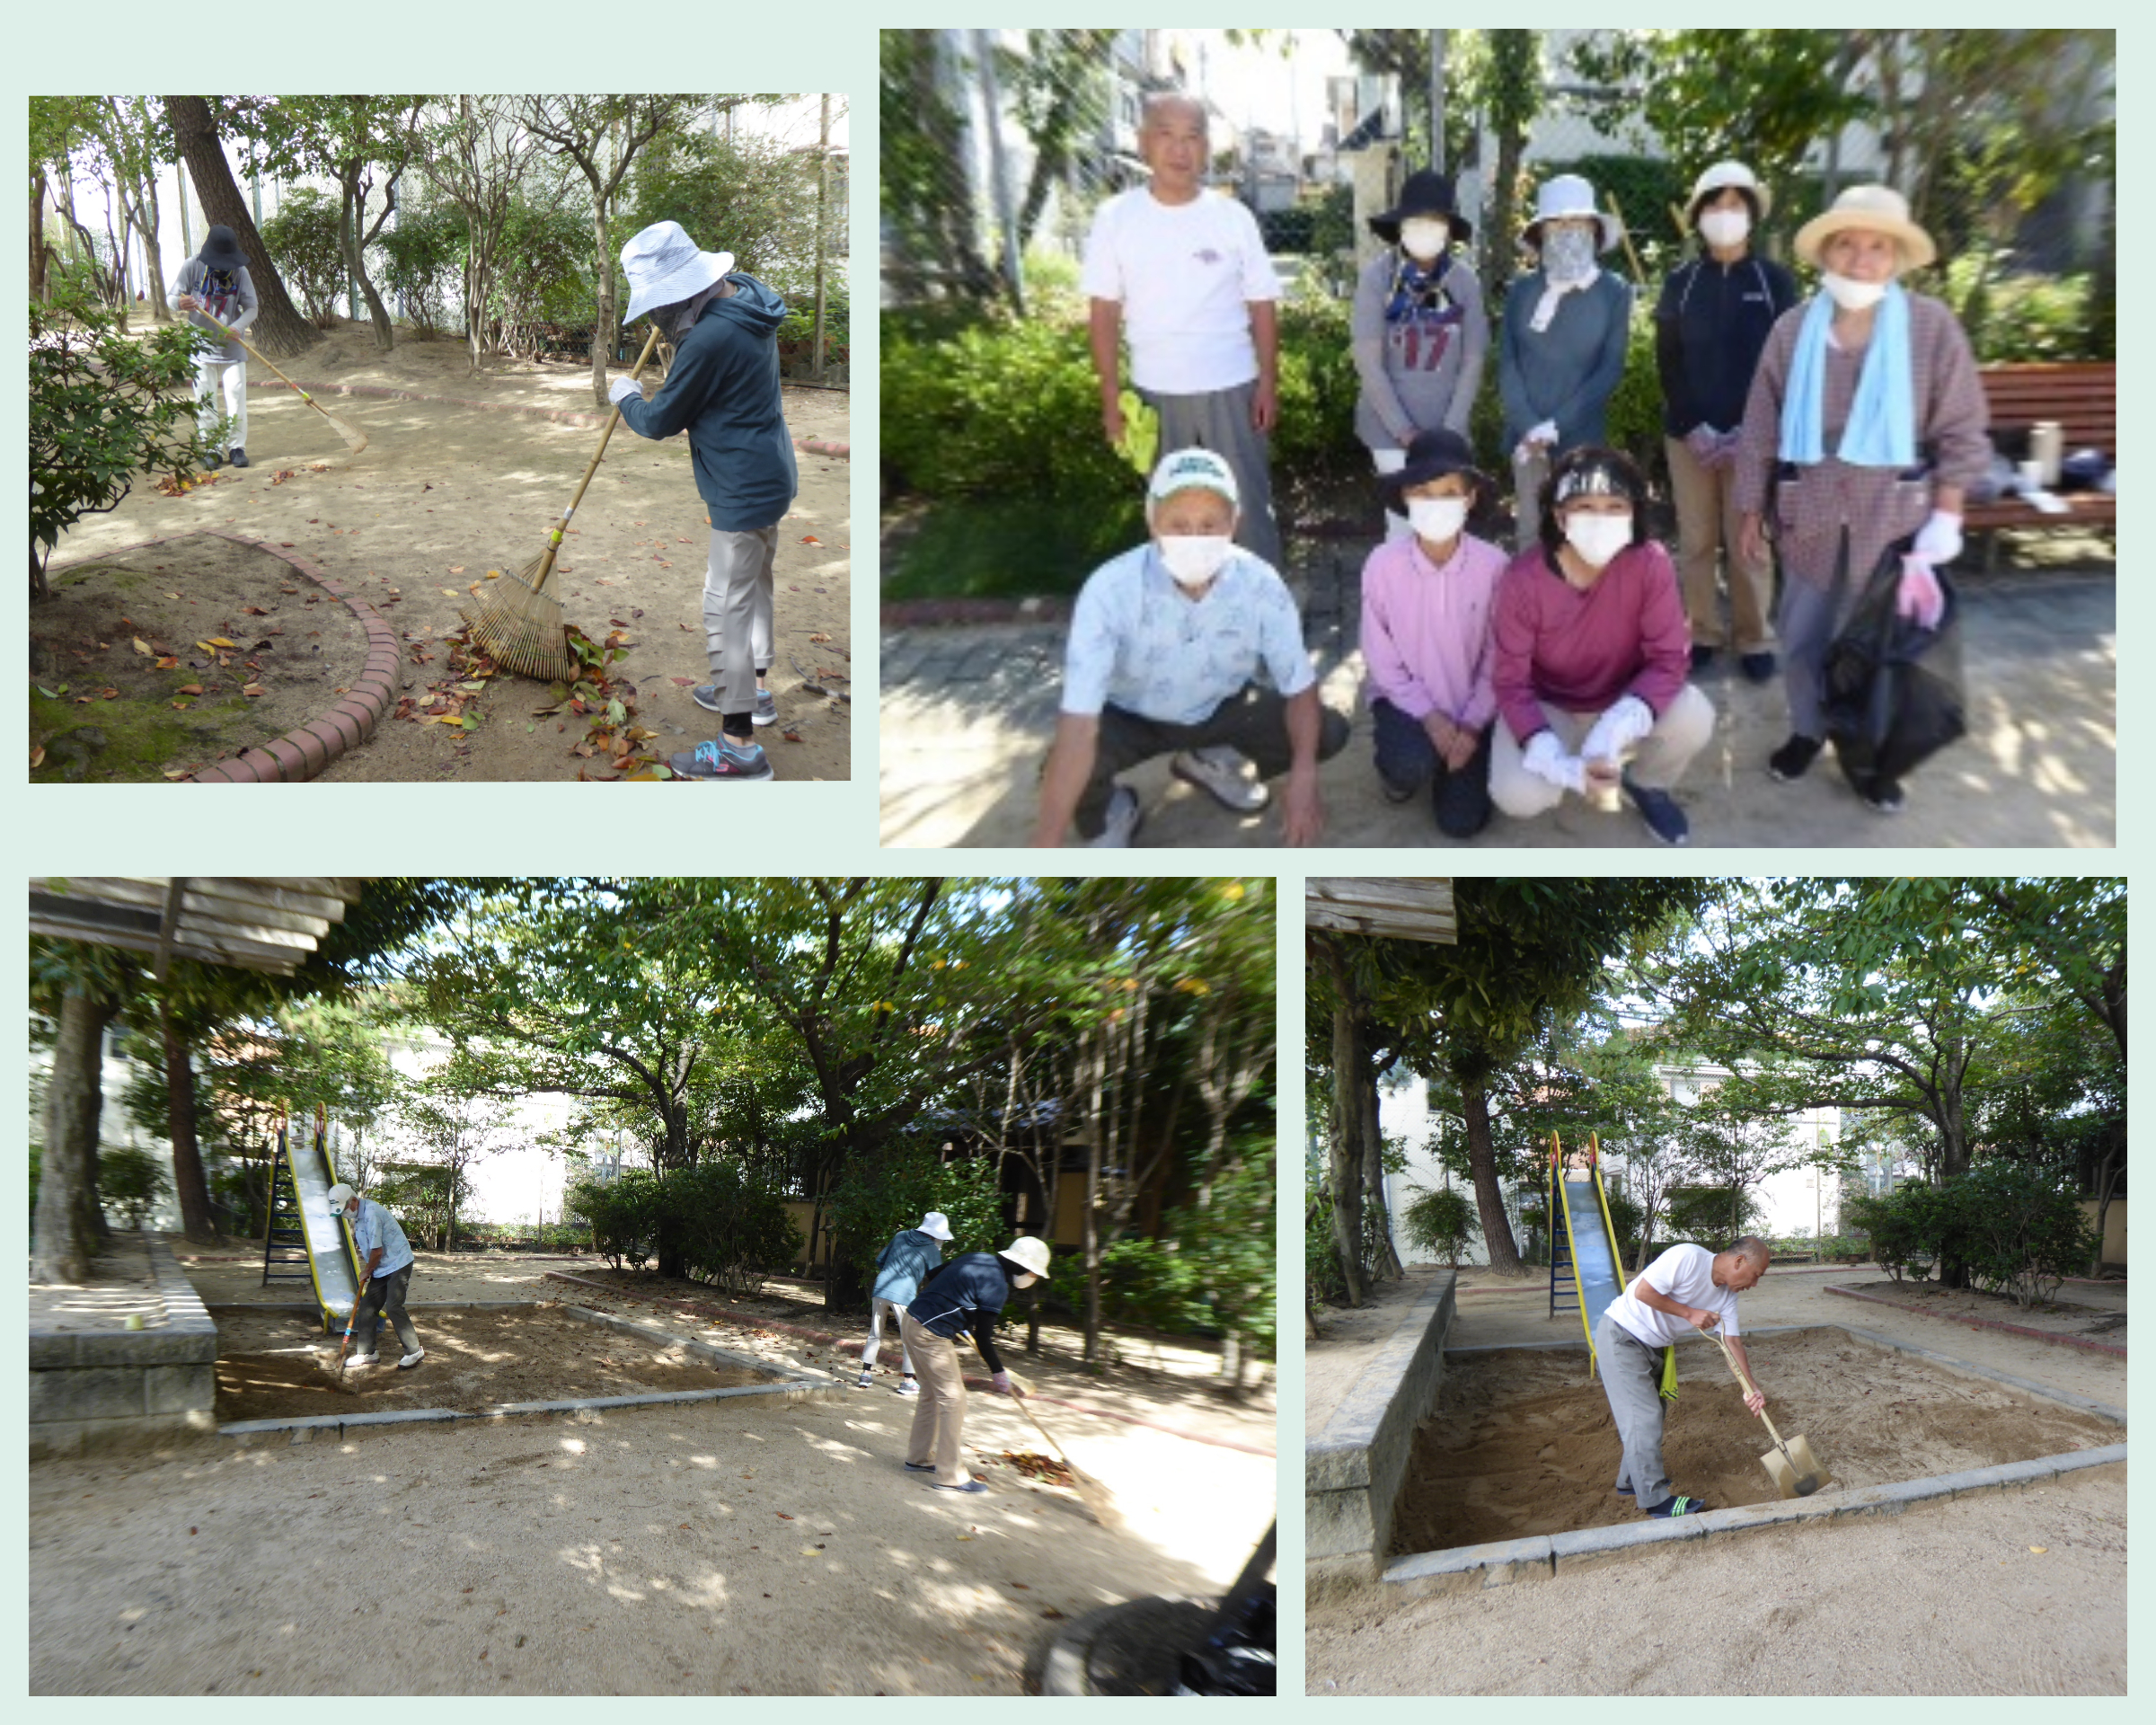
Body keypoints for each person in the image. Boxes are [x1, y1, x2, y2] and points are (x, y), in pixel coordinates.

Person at [1733, 184, 1990, 815]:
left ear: (1897, 256)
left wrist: (1950, 510)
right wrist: (1747, 509)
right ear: (1826, 252)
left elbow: (1960, 425)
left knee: (1877, 646)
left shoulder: (1930, 329)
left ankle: (1871, 756)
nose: (1860, 259)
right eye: (1847, 244)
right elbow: (1760, 423)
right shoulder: (1793, 330)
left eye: (1877, 247)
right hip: (1809, 509)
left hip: (1892, 517)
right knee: (1800, 634)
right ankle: (1806, 730)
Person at [1033, 447, 1349, 847]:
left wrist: (1304, 776)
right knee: (1065, 769)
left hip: (1223, 707)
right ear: (1152, 522)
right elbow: (1078, 722)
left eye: (1210, 524)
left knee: (1328, 731)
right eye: (1178, 525)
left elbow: (1299, 686)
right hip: (1131, 715)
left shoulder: (1261, 584)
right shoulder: (1108, 591)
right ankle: (1108, 814)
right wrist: (1044, 846)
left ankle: (1207, 758)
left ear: (1234, 523)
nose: (1195, 539)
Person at [609, 219, 799, 783]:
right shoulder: (745, 295)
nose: (657, 320)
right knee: (754, 588)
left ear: (682, 293)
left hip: (740, 487)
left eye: (660, 307)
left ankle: (739, 746)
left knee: (726, 610)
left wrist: (626, 398)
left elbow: (662, 420)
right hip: (770, 473)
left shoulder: (710, 338)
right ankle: (756, 694)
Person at [1083, 92, 1285, 570]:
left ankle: (1263, 612)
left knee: (1247, 507)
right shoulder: (1115, 218)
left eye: (1192, 137)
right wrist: (1111, 396)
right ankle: (1183, 615)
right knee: (1171, 514)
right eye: (1166, 135)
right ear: (1143, 142)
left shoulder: (1233, 218)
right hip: (1155, 392)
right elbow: (1103, 310)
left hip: (1232, 387)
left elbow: (1262, 304)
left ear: (1206, 147)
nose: (1180, 149)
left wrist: (1268, 383)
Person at [1489, 446, 1716, 845]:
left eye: (1615, 507)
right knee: (1518, 794)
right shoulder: (1522, 581)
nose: (1601, 519)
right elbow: (1510, 683)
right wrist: (1559, 764)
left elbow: (1669, 659)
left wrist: (1613, 729)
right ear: (1560, 516)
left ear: (1633, 515)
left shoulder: (1651, 562)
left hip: (1621, 699)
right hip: (1551, 704)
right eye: (1585, 507)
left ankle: (1645, 784)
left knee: (1695, 714)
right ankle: (1558, 762)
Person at [1655, 163, 1798, 681]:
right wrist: (1695, 425)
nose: (1725, 215)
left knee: (1749, 541)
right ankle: (1703, 632)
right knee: (1696, 540)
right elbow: (1667, 360)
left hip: (1753, 439)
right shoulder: (1682, 283)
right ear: (1698, 216)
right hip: (1688, 437)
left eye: (1736, 204)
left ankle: (1754, 636)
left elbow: (1787, 363)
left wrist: (1749, 432)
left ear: (1752, 216)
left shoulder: (1774, 282)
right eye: (1715, 205)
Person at [1360, 428, 1507, 838]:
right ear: (1406, 497)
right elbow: (1380, 656)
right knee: (1408, 763)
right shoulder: (1382, 565)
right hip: (1406, 704)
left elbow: (1500, 655)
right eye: (1424, 493)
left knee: (1462, 824)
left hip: (1471, 708)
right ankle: (1402, 771)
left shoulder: (1494, 566)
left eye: (1449, 493)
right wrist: (1431, 719)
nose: (1436, 505)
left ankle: (1456, 766)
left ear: (1471, 497)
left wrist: (1473, 724)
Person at [1351, 169, 1489, 540]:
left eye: (1435, 221)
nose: (1426, 229)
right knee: (1402, 525)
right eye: (1417, 221)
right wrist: (1403, 430)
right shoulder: (1377, 279)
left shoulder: (1464, 282)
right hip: (1389, 428)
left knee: (1446, 524)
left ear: (1448, 229)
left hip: (1447, 425)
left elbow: (1473, 358)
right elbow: (1368, 360)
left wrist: (1451, 429)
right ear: (1401, 226)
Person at [1498, 175, 1633, 552]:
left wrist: (1556, 427)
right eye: (1557, 223)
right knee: (1531, 532)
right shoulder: (1522, 291)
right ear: (1540, 233)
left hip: (1582, 436)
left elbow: (1609, 369)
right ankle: (1529, 611)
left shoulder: (1614, 292)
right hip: (1527, 440)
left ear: (1593, 229)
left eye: (1577, 223)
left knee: (1579, 535)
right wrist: (1529, 426)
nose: (1567, 231)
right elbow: (1508, 363)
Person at [1595, 1237, 1772, 1518]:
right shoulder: (1687, 1257)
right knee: (1643, 1416)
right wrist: (1690, 1313)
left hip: (1657, 1347)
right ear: (1740, 1262)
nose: (1754, 1285)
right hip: (1622, 1336)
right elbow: (1643, 1292)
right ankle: (1656, 1501)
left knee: (1654, 1413)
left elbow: (1732, 1343)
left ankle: (1630, 1481)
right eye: (1756, 1276)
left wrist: (1751, 1388)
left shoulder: (1727, 1297)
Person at [900, 1236, 1053, 1494]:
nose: (1033, 1278)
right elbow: (983, 1337)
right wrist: (998, 1374)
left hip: (912, 1320)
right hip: (930, 1333)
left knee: (930, 1394)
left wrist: (959, 1311)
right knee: (954, 1400)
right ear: (1024, 1268)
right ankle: (950, 1476)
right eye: (1035, 1273)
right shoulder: (997, 1285)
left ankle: (919, 1458)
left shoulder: (977, 1257)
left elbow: (934, 1274)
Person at [171, 225, 257, 471]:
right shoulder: (192, 266)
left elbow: (252, 307)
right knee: (205, 400)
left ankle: (237, 448)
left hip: (232, 347)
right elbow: (171, 299)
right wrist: (180, 302)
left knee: (236, 398)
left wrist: (238, 327)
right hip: (199, 347)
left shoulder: (240, 272)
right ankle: (211, 448)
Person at [326, 1182, 422, 1370]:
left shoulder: (371, 1213)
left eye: (344, 1208)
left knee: (394, 1307)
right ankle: (368, 1353)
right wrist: (371, 1268)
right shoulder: (358, 1217)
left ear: (354, 1201)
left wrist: (366, 1270)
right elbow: (372, 1250)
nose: (344, 1213)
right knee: (368, 1307)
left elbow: (376, 1251)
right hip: (381, 1266)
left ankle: (414, 1351)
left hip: (398, 1262)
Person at [860, 1210, 951, 1396]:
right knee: (909, 1338)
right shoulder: (931, 1249)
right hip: (904, 1295)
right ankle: (908, 1382)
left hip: (881, 1289)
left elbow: (880, 1260)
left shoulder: (900, 1235)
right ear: (937, 1234)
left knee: (875, 1333)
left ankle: (865, 1375)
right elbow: (937, 1278)